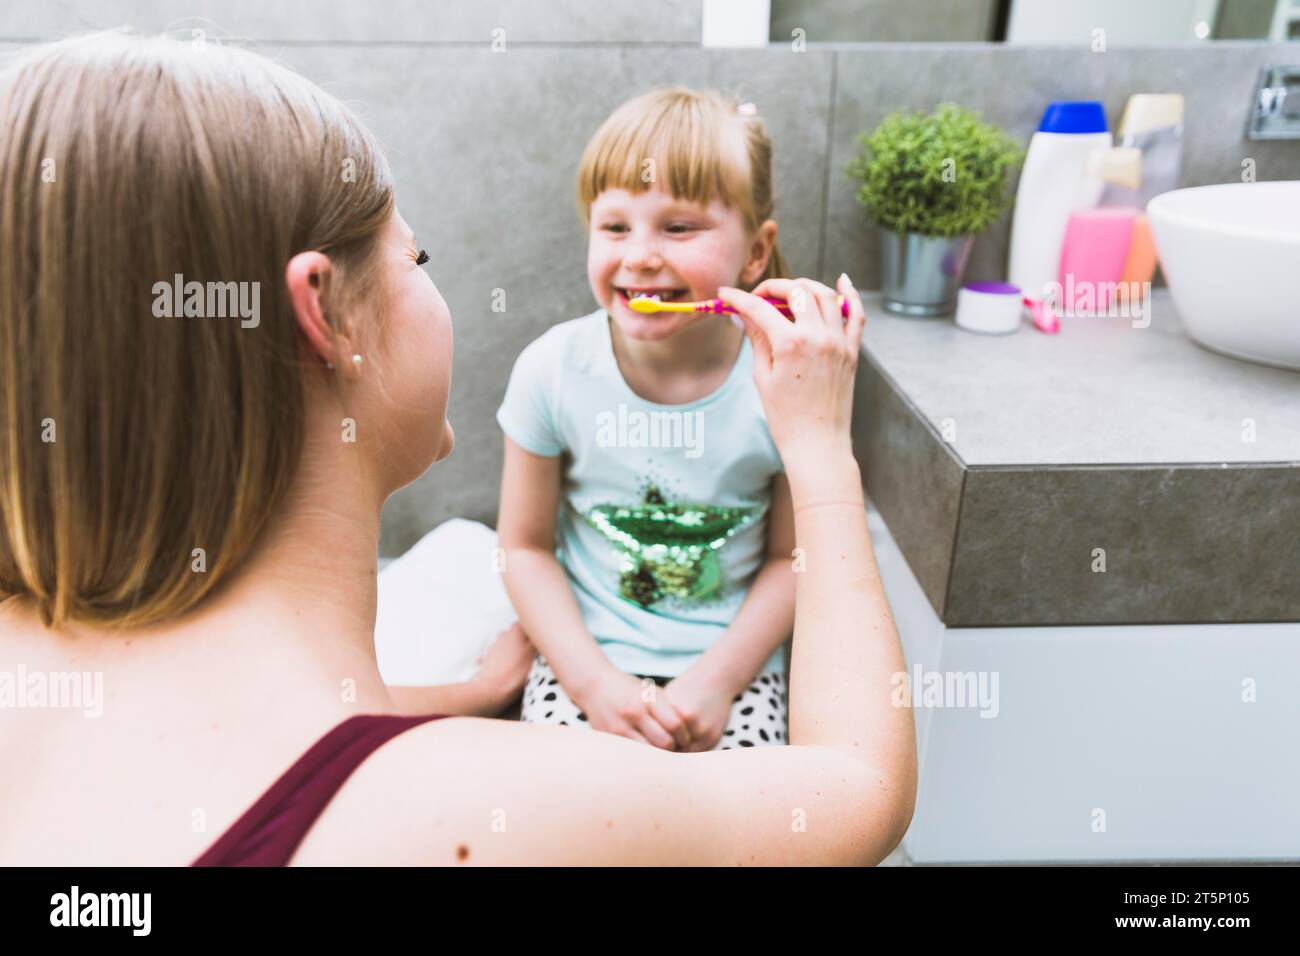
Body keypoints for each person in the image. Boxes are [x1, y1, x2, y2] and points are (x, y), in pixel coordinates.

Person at [0, 30, 915, 866]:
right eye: (418, 257)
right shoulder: (484, 812)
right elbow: (860, 788)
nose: (641, 255)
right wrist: (823, 447)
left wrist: (470, 696)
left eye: (678, 226)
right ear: (325, 311)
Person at [498, 88, 796, 751]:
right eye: (614, 227)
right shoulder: (551, 371)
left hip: (733, 667)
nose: (638, 256)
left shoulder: (783, 379)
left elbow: (791, 560)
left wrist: (718, 682)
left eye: (679, 227)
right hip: (587, 655)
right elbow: (522, 547)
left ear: (755, 252)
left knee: (743, 831)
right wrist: (593, 683)